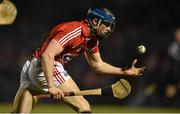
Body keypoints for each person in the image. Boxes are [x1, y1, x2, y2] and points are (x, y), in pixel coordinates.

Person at [12, 6, 145, 113]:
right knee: (84, 107)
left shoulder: (92, 40)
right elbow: (47, 55)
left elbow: (97, 65)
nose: (109, 29)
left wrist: (123, 71)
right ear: (95, 21)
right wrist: (51, 85)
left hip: (32, 66)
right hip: (45, 65)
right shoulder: (74, 31)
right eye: (106, 25)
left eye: (111, 26)